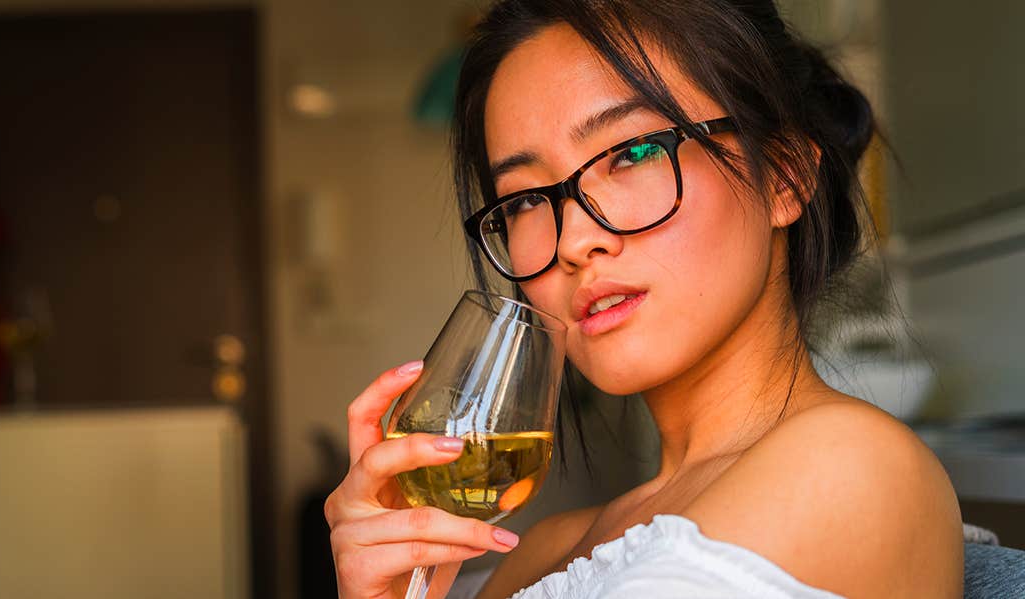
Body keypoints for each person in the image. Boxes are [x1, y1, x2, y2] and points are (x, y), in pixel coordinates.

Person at [324, 1, 963, 597]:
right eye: (522, 201)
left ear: (786, 176)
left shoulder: (850, 468)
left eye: (632, 153)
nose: (573, 239)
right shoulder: (545, 547)